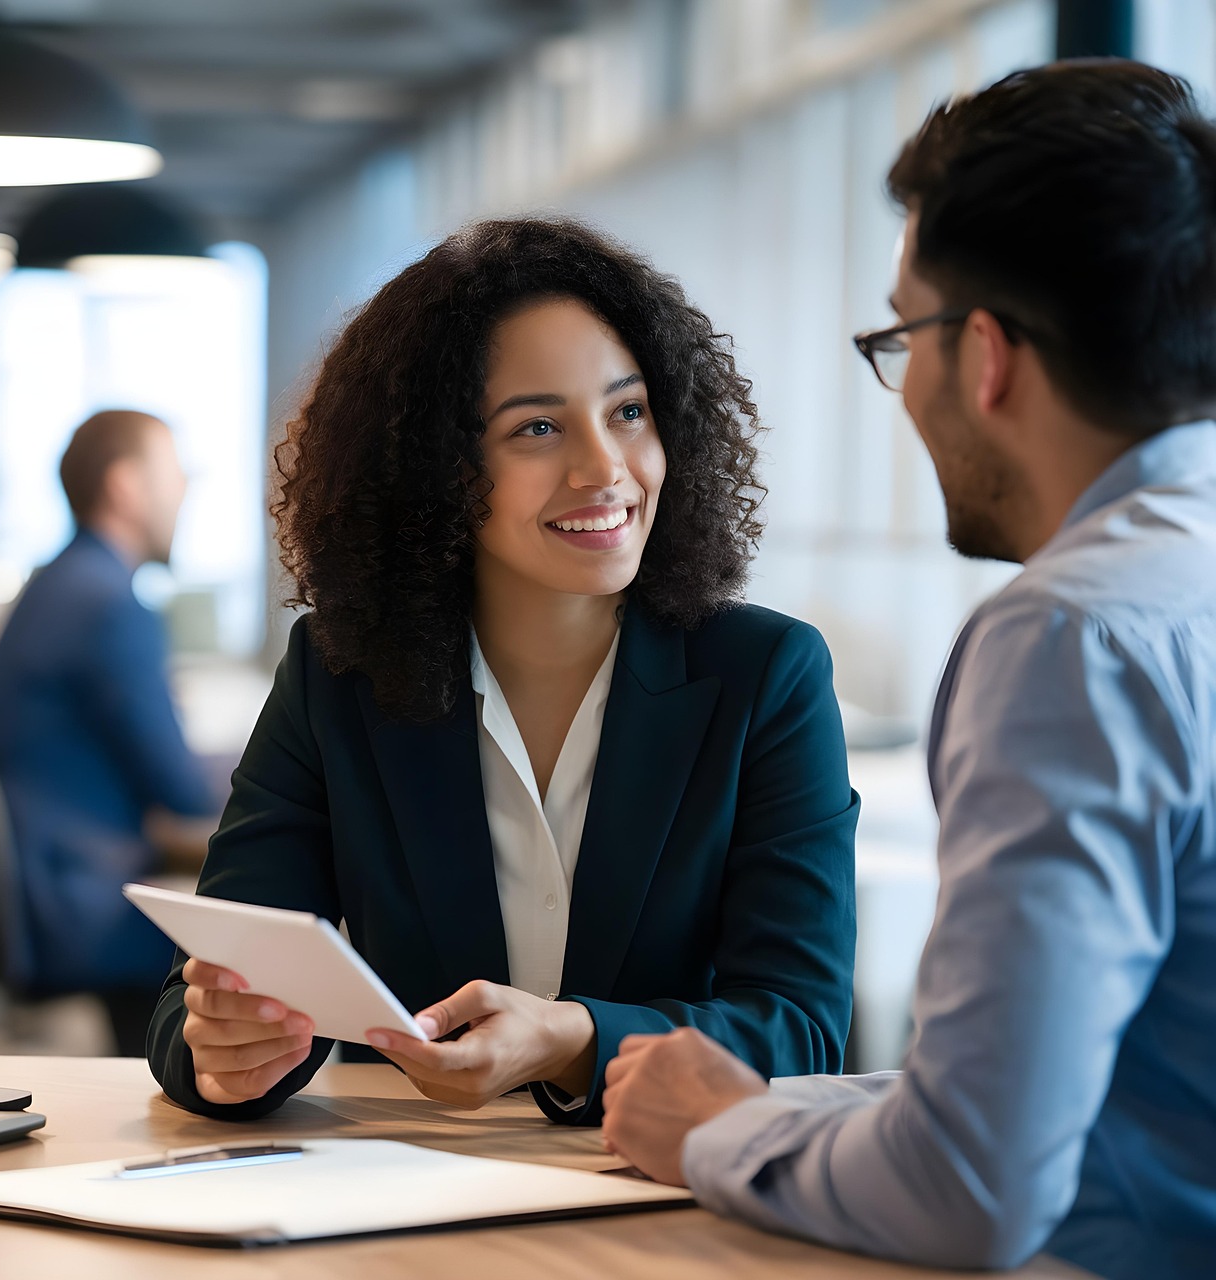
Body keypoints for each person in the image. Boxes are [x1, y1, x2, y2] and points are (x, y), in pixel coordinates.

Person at [600, 60, 1216, 1280]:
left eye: (902, 335)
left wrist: (721, 1127)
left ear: (982, 356)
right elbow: (1103, 1082)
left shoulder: (1071, 637)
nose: (906, 388)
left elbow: (972, 1187)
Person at [147, 217, 859, 1124]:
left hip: (668, 1205)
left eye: (629, 412)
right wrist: (224, 1050)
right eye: (537, 429)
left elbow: (800, 1027)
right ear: (438, 471)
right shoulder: (339, 677)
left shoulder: (767, 676)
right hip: (414, 1205)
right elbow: (208, 989)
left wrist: (573, 1039)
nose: (606, 467)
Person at [0, 410, 218, 1055]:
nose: (185, 492)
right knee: (256, 948)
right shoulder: (109, 604)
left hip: (43, 891)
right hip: (83, 907)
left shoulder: (56, 585)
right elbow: (182, 792)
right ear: (126, 486)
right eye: (174, 474)